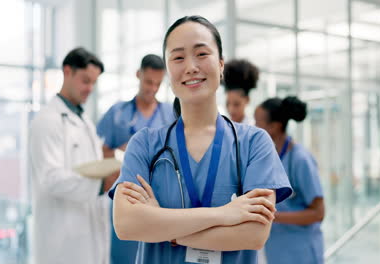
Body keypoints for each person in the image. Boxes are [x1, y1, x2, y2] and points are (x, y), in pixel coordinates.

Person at [108, 15, 292, 264]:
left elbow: (254, 234)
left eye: (202, 54)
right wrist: (224, 215)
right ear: (168, 70)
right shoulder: (145, 144)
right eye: (178, 57)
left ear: (221, 65)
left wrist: (165, 228)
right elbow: (127, 224)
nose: (191, 66)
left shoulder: (254, 143)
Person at [29, 47, 113, 264]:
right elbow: (50, 178)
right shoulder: (48, 121)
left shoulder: (84, 121)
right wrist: (101, 185)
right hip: (61, 245)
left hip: (89, 238)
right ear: (67, 72)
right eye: (86, 80)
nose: (90, 88)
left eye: (94, 83)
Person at [96, 54, 174, 264]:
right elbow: (104, 148)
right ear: (138, 75)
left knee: (157, 251)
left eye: (158, 83)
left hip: (160, 197)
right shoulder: (118, 112)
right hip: (126, 194)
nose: (153, 88)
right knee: (124, 251)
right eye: (148, 82)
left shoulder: (169, 114)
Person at [254, 96, 325, 264]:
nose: (254, 127)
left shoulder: (300, 160)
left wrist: (273, 216)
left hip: (301, 252)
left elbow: (318, 213)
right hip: (278, 251)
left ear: (274, 126)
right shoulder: (271, 157)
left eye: (258, 122)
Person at [223, 59, 259, 124]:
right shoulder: (222, 127)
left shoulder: (253, 129)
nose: (231, 109)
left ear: (247, 100)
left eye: (236, 104)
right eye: (227, 104)